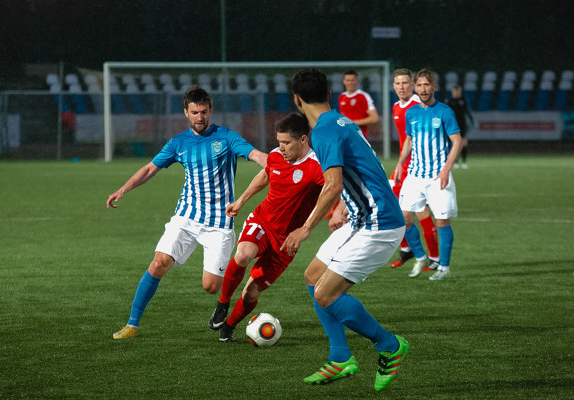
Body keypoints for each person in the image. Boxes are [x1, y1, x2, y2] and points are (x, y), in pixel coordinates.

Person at [282, 68, 409, 393]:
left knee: (325, 294)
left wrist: (305, 228)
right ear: (328, 94)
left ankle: (390, 345)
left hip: (378, 223)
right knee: (313, 277)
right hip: (364, 216)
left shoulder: (324, 131)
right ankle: (340, 356)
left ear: (297, 100)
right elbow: (360, 171)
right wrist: (343, 206)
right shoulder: (341, 121)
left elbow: (333, 184)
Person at [108, 85, 267, 340]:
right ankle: (132, 325)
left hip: (219, 222)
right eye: (194, 112)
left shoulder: (226, 137)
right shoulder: (178, 142)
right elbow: (150, 168)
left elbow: (255, 155)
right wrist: (123, 189)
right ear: (186, 112)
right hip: (186, 216)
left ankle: (224, 304)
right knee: (158, 263)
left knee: (211, 286)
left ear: (211, 110)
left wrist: (275, 163)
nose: (199, 117)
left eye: (204, 112)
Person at [207, 113, 324, 342]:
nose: (281, 147)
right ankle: (223, 304)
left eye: (286, 142)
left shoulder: (316, 166)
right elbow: (264, 177)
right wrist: (240, 201)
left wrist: (337, 212)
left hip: (287, 240)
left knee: (251, 292)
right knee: (243, 254)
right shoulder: (276, 156)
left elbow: (334, 191)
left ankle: (228, 327)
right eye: (279, 141)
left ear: (303, 139)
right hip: (263, 221)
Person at [393, 68, 461, 281]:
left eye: (427, 85)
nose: (423, 89)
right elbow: (409, 141)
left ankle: (444, 267)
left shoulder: (444, 111)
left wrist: (446, 170)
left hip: (437, 177)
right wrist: (400, 164)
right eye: (420, 85)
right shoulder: (411, 113)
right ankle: (421, 257)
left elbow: (457, 141)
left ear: (434, 87)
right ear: (415, 87)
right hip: (415, 176)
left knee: (442, 222)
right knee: (403, 218)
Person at [388, 68, 440, 272]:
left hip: (419, 168)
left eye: (405, 83)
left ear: (412, 85)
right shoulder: (395, 107)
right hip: (404, 166)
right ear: (393, 86)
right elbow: (405, 141)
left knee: (419, 212)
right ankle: (409, 250)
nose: (401, 87)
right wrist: (400, 165)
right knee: (396, 210)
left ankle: (434, 258)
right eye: (397, 83)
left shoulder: (420, 105)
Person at [338, 68, 379, 137]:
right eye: (348, 80)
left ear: (357, 81)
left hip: (359, 136)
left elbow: (374, 118)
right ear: (344, 82)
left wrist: (353, 123)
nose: (350, 83)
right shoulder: (341, 97)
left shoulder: (363, 96)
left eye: (352, 80)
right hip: (345, 135)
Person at [445, 84, 475, 169]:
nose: (457, 93)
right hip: (453, 125)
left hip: (462, 125)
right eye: (455, 91)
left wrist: (472, 120)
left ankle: (464, 161)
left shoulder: (463, 100)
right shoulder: (449, 101)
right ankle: (455, 161)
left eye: (458, 91)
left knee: (464, 143)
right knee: (455, 144)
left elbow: (467, 111)